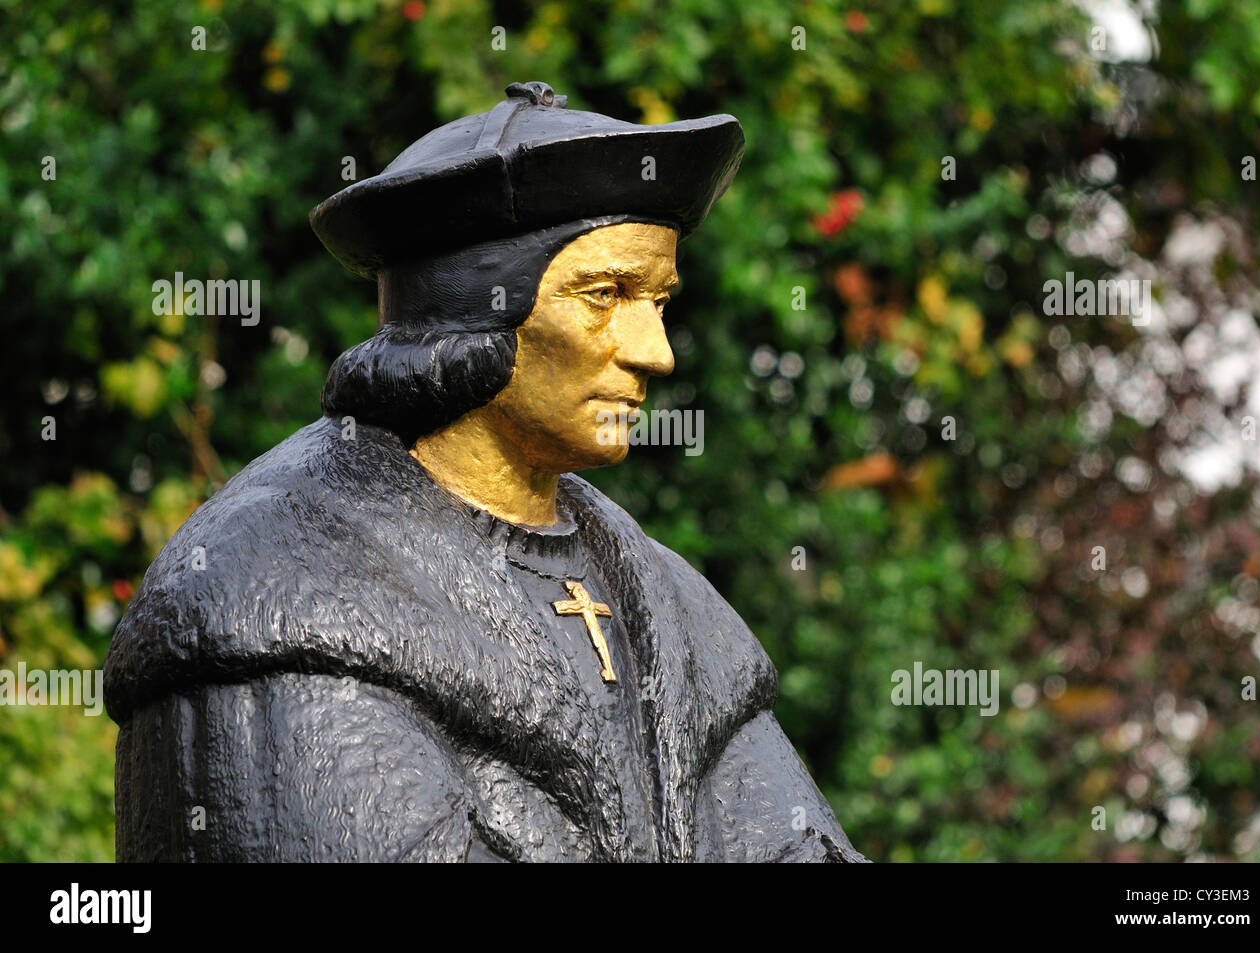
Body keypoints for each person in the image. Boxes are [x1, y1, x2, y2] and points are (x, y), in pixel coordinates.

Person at [105, 82, 864, 862]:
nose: (654, 351)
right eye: (605, 294)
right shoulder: (273, 592)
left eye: (660, 299)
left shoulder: (672, 608)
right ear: (479, 307)